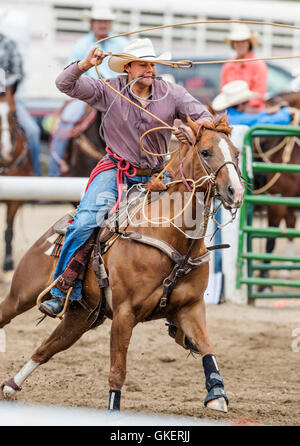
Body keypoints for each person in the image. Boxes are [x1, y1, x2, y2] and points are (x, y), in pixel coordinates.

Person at [39, 37, 212, 317]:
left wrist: (192, 131)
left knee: (188, 223)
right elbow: (64, 84)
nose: (149, 69)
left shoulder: (173, 93)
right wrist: (84, 65)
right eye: (143, 64)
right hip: (116, 172)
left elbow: (204, 116)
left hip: (158, 175)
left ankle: (181, 299)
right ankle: (62, 288)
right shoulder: (108, 90)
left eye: (152, 64)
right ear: (127, 68)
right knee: (85, 221)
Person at [47, 6, 128, 176]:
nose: (103, 25)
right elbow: (70, 71)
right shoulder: (81, 45)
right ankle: (55, 173)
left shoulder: (122, 44)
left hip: (119, 95)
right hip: (86, 95)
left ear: (111, 24)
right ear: (92, 23)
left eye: (106, 22)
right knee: (66, 123)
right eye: (99, 21)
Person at [0, 31, 42, 176]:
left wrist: (3, 84)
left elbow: (18, 73)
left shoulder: (8, 44)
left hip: (8, 97)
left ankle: (35, 175)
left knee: (32, 131)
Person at [220, 24, 268, 111]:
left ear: (249, 43)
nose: (240, 44)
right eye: (236, 41)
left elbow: (259, 93)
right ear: (233, 44)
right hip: (231, 109)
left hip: (253, 110)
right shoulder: (228, 66)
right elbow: (223, 91)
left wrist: (244, 106)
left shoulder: (258, 64)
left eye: (243, 41)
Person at [212, 80, 291, 126]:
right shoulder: (243, 119)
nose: (249, 104)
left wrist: (266, 112)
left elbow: (256, 117)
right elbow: (281, 119)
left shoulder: (221, 118)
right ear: (240, 105)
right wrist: (286, 111)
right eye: (247, 102)